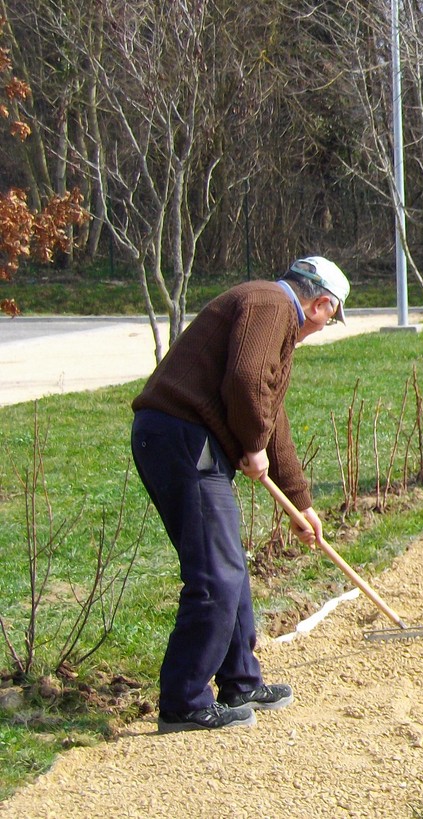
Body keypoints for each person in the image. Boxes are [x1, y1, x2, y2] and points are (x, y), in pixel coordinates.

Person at [130, 256, 349, 732]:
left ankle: (241, 681)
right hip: (182, 440)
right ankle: (184, 700)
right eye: (332, 316)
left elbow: (270, 411)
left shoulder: (269, 311)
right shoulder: (271, 305)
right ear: (321, 305)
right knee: (216, 574)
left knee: (228, 564)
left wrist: (300, 501)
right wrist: (251, 445)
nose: (326, 325)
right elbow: (247, 381)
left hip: (184, 439)